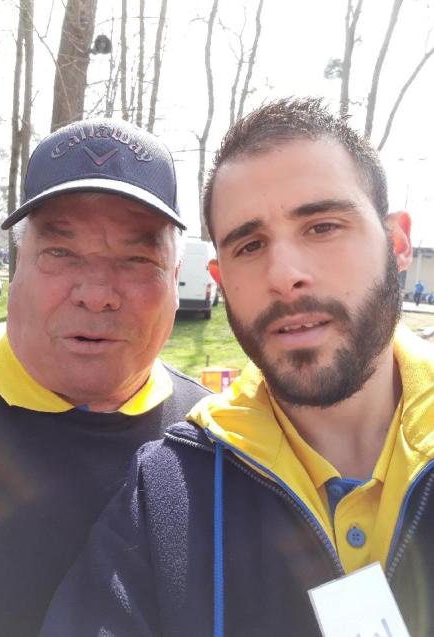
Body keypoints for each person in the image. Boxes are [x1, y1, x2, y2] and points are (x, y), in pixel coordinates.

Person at [40, 98, 434, 637]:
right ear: (221, 280)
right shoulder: (165, 495)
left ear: (397, 242)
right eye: (250, 245)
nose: (284, 275)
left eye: (322, 226)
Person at [0, 117, 210, 637]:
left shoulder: (215, 446)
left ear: (174, 279)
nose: (96, 294)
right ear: (18, 266)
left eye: (136, 258)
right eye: (61, 252)